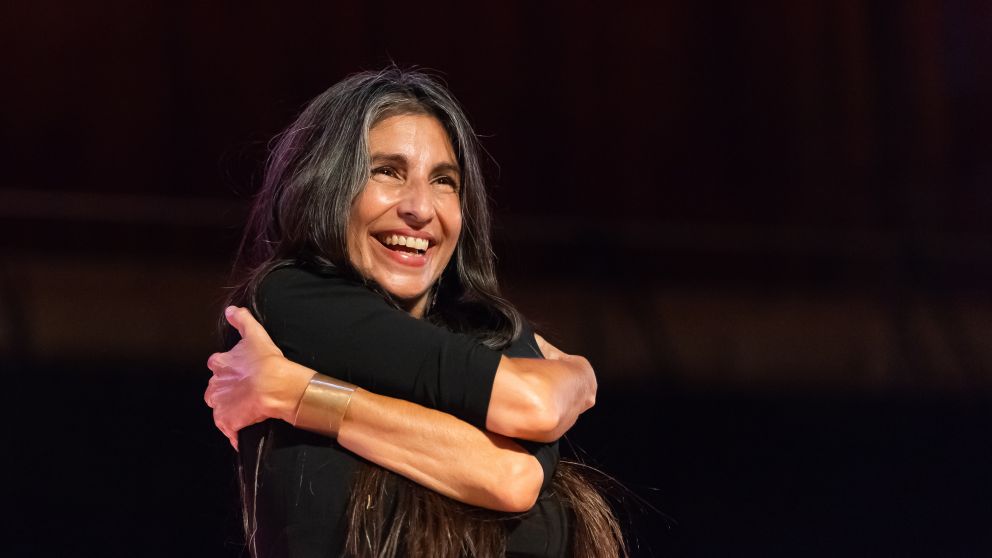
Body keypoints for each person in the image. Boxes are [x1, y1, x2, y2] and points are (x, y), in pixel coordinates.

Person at [204, 67, 625, 557]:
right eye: (387, 171)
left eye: (444, 180)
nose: (420, 208)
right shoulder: (292, 299)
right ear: (327, 185)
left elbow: (523, 449)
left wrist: (298, 392)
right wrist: (569, 382)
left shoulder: (487, 329)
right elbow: (519, 455)